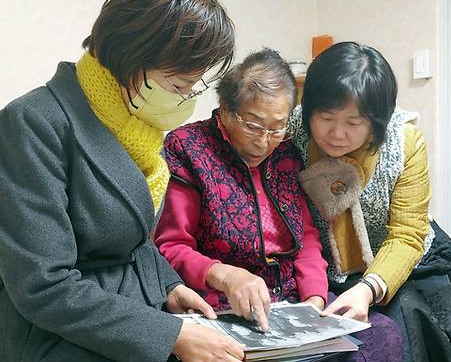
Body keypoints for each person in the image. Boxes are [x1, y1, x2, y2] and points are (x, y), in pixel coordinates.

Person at [0, 0, 244, 361]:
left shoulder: (136, 125)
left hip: (128, 316)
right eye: (179, 85)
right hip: (61, 334)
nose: (187, 98)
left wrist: (168, 285)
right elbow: (42, 285)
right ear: (132, 58)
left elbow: (130, 240)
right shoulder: (33, 123)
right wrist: (169, 336)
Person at [154, 48, 404, 362]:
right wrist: (226, 276)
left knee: (382, 334)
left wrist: (313, 298)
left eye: (276, 128)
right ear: (226, 109)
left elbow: (306, 239)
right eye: (253, 126)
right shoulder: (189, 148)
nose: (264, 141)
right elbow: (171, 246)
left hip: (289, 303)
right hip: (222, 303)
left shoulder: (285, 153)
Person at [289, 41, 451, 362]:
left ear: (376, 122)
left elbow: (406, 234)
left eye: (353, 123)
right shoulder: (293, 132)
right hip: (319, 264)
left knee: (423, 320)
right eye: (326, 118)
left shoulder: (403, 141)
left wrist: (367, 289)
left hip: (400, 255)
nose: (336, 134)